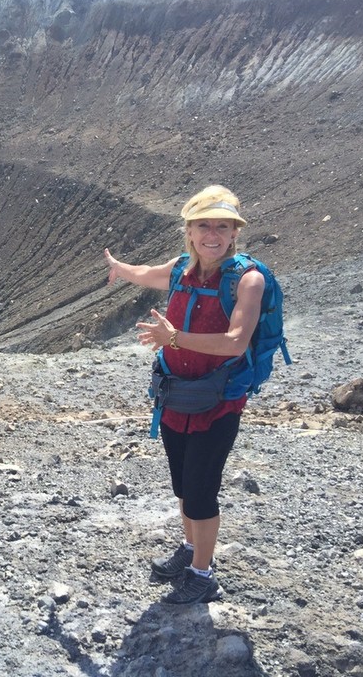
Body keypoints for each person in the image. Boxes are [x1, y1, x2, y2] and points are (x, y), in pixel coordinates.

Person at [103, 185, 264, 605]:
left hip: (218, 401)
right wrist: (120, 268)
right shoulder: (180, 270)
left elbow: (234, 342)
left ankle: (203, 575)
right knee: (182, 486)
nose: (213, 234)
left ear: (234, 234)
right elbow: (146, 272)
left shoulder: (248, 280)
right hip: (176, 396)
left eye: (222, 227)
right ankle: (192, 550)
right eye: (203, 225)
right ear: (189, 232)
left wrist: (174, 338)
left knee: (200, 489)